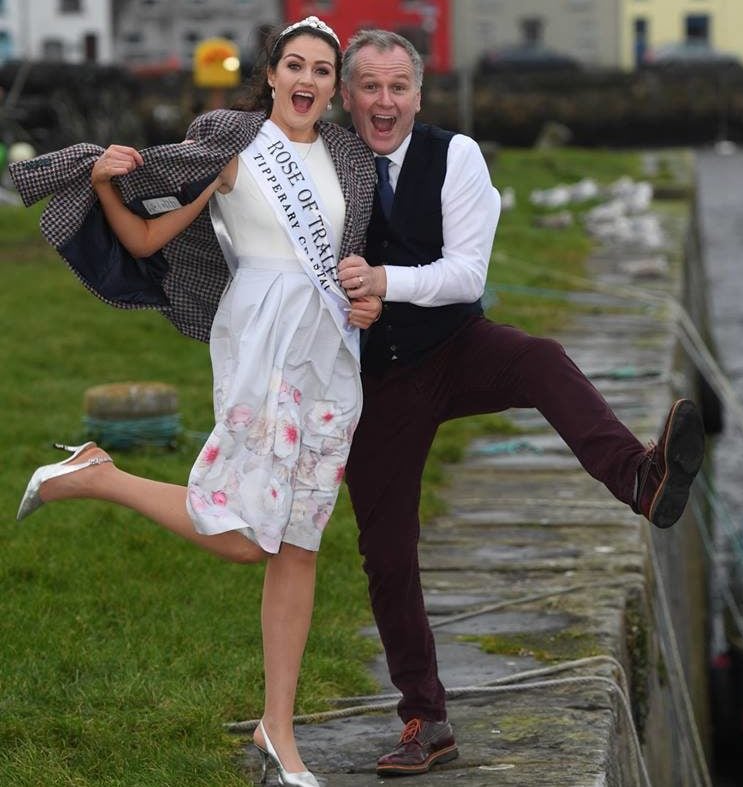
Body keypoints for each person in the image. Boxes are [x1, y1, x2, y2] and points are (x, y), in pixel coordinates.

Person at [10, 17, 379, 787]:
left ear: (333, 87)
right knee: (249, 535)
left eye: (321, 69)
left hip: (332, 358)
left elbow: (354, 254)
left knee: (301, 543)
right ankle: (98, 474)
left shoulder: (349, 158)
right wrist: (108, 181)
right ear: (272, 75)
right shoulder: (234, 144)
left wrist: (368, 291)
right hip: (259, 346)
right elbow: (147, 242)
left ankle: (277, 728)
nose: (306, 80)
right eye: (294, 65)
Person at [334, 29, 706, 777]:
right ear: (347, 96)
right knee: (387, 550)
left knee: (539, 359)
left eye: (397, 86)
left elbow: (466, 275)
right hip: (377, 380)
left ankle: (639, 477)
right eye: (368, 86)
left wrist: (382, 280)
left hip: (455, 349)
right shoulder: (326, 165)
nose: (383, 101)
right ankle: (426, 720)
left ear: (419, 93)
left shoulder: (458, 156)